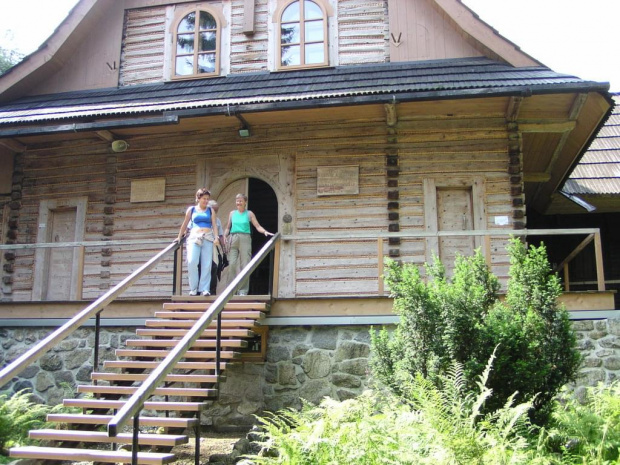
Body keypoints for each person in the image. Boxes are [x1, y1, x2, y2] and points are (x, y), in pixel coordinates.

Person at [224, 193, 274, 296]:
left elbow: (257, 226)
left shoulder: (249, 214)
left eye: (241, 201)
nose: (238, 202)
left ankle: (242, 290)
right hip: (233, 237)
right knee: (232, 264)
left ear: (245, 202)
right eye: (237, 201)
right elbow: (228, 227)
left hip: (245, 238)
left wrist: (264, 231)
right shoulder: (232, 213)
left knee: (245, 264)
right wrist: (225, 236)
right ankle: (230, 289)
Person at [176, 188, 220, 296]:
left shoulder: (211, 210)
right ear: (198, 198)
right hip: (194, 237)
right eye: (204, 198)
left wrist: (216, 237)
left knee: (206, 264)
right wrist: (179, 236)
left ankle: (204, 289)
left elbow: (214, 224)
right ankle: (193, 288)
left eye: (207, 199)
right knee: (192, 261)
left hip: (207, 237)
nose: (205, 201)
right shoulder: (191, 210)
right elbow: (185, 224)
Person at [208, 200, 226, 295]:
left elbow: (221, 235)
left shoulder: (217, 220)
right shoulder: (203, 219)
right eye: (214, 210)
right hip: (204, 246)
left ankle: (212, 291)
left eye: (216, 210)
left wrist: (224, 250)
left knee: (215, 268)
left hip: (214, 248)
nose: (215, 212)